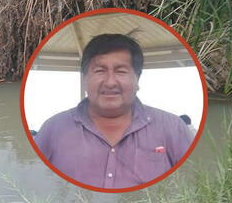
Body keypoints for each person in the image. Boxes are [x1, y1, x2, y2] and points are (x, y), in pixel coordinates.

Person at [33, 34, 192, 189]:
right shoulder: (53, 129)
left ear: (137, 80)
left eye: (121, 71)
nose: (110, 82)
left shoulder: (172, 128)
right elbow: (35, 185)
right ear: (85, 79)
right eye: (100, 71)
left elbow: (193, 181)